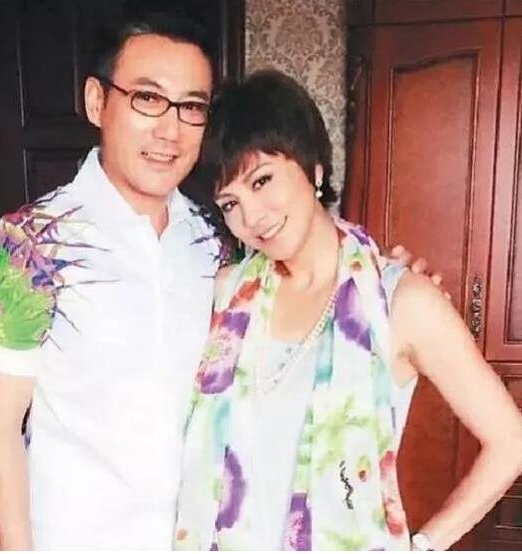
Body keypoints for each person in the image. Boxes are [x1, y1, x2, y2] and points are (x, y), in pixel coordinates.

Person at [0, 12, 433, 551]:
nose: (170, 130)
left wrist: (396, 284)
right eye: (147, 98)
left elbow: (314, 282)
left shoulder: (219, 239)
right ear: (97, 101)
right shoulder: (30, 244)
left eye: (191, 107)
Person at [173, 69, 522, 551]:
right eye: (230, 203)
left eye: (263, 180)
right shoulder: (227, 294)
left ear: (314, 169)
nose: (252, 217)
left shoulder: (401, 302)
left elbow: (511, 442)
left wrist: (423, 545)